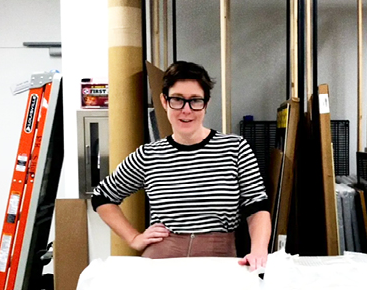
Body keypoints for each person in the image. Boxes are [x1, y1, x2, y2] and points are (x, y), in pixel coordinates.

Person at [91, 61, 271, 271]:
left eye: (195, 101)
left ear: (206, 103)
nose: (186, 110)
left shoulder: (235, 148)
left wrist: (259, 250)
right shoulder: (149, 155)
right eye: (177, 100)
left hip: (219, 257)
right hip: (162, 260)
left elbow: (256, 206)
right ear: (164, 101)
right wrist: (134, 238)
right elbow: (102, 196)